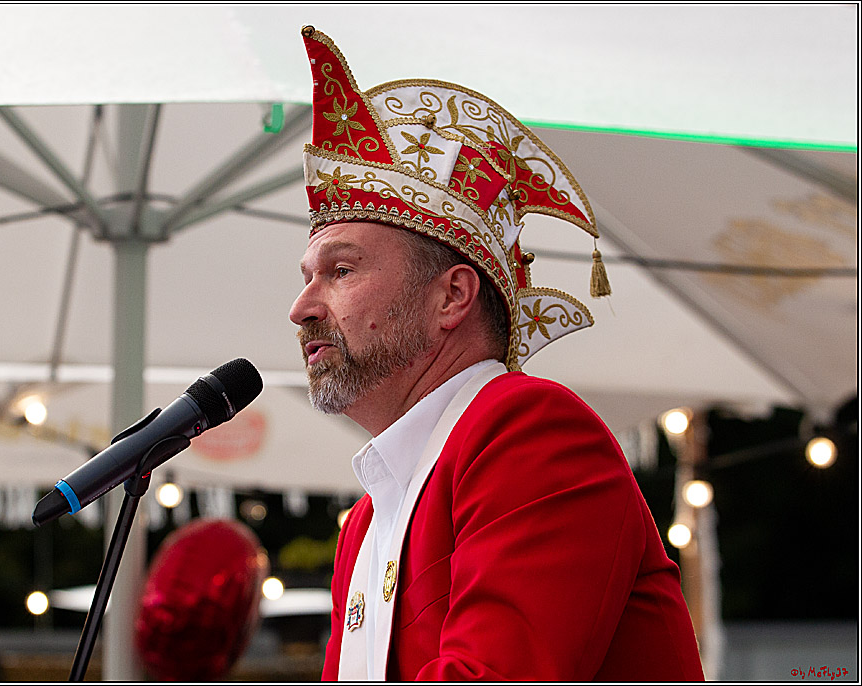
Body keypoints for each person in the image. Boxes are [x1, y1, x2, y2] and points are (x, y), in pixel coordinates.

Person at [290, 26, 705, 681]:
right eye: (307, 276)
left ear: (452, 295)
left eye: (340, 270)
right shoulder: (364, 522)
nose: (303, 307)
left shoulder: (529, 429)